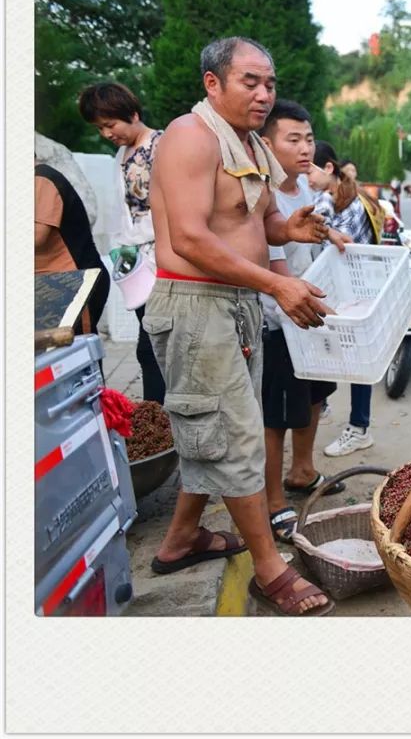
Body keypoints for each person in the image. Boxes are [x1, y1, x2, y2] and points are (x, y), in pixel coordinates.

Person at [144, 36, 344, 616]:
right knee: (234, 436)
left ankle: (182, 540)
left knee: (223, 428)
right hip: (196, 304)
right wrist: (278, 284)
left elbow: (263, 221)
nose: (264, 94)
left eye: (270, 83)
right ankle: (269, 569)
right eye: (250, 82)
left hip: (236, 305)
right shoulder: (190, 136)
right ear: (213, 84)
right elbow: (188, 238)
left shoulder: (251, 143)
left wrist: (293, 231)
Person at [255, 106, 353, 544]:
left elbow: (312, 230)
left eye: (309, 138)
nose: (305, 147)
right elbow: (274, 261)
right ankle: (274, 502)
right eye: (292, 139)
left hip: (309, 313)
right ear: (267, 144)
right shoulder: (265, 194)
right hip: (279, 321)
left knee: (314, 398)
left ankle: (303, 470)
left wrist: (332, 235)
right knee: (276, 416)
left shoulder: (302, 190)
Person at [77, 82, 167, 403]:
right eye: (100, 128)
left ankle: (160, 416)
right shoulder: (121, 154)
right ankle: (158, 416)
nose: (107, 133)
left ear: (133, 114)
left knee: (153, 344)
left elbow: (172, 207)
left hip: (165, 260)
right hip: (136, 261)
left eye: (110, 124)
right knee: (149, 343)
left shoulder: (162, 146)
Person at [306, 140, 385, 458]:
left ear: (328, 168)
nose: (306, 177)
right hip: (349, 291)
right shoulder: (350, 198)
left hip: (351, 294)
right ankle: (332, 411)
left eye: (310, 169)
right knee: (338, 354)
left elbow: (322, 232)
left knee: (353, 360)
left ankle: (359, 428)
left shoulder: (338, 202)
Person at [34, 161, 110, 334]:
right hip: (50, 285)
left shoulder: (41, 180)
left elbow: (37, 237)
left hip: (71, 283)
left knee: (74, 354)